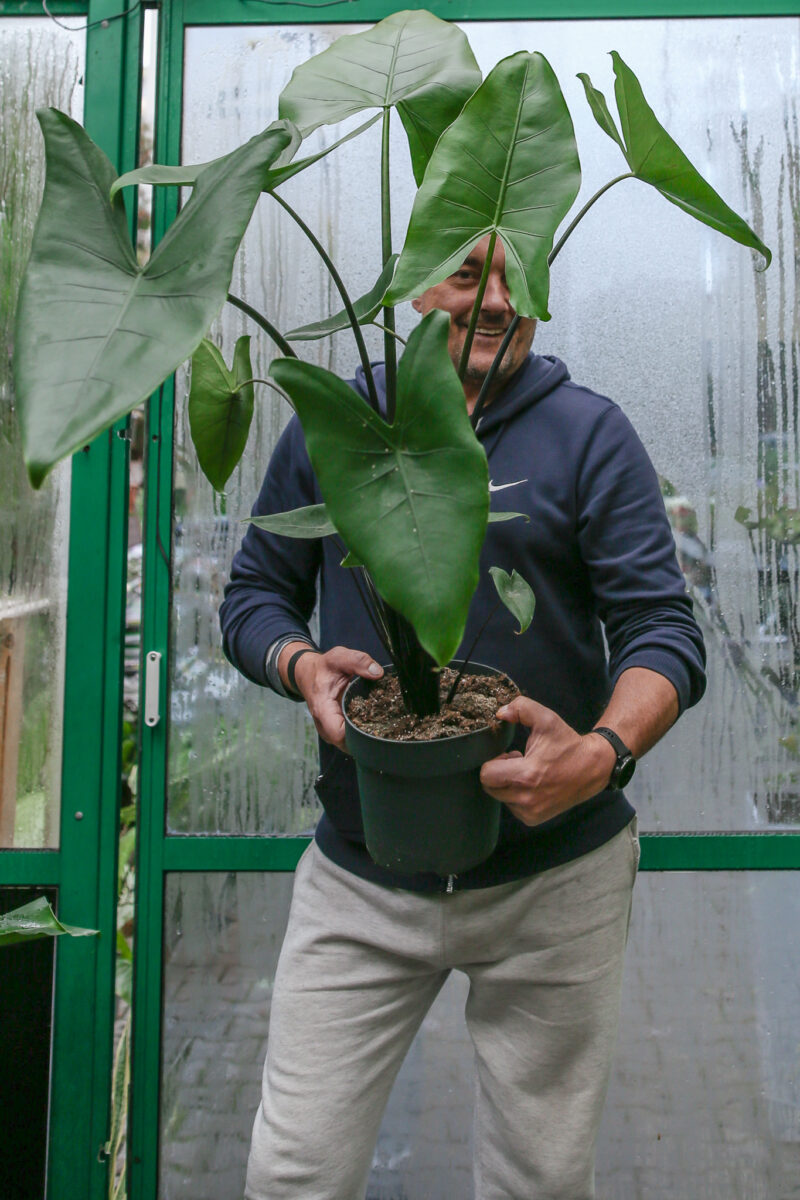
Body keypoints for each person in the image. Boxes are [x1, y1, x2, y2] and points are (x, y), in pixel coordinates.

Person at [220, 235, 706, 1200]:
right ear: (413, 284)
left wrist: (603, 752)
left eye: (514, 276)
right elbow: (253, 597)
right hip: (362, 870)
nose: (492, 299)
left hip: (555, 879)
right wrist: (302, 665)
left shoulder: (588, 434)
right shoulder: (342, 420)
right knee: (294, 1171)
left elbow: (665, 634)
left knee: (542, 1180)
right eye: (465, 272)